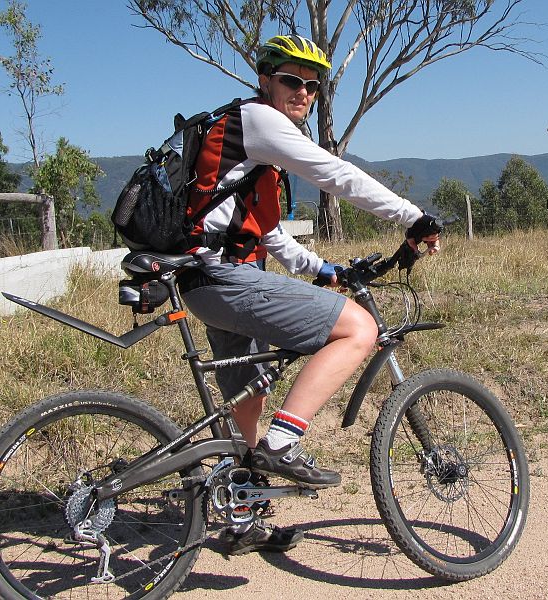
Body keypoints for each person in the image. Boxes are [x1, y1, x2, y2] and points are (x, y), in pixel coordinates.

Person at [177, 35, 441, 555]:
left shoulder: (247, 139)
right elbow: (332, 172)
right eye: (291, 80)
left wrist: (323, 269)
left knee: (247, 396)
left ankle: (242, 517)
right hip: (224, 279)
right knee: (358, 328)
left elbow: (265, 232)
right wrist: (412, 215)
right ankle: (284, 443)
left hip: (209, 279)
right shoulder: (258, 121)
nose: (303, 92)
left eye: (313, 86)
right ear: (265, 80)